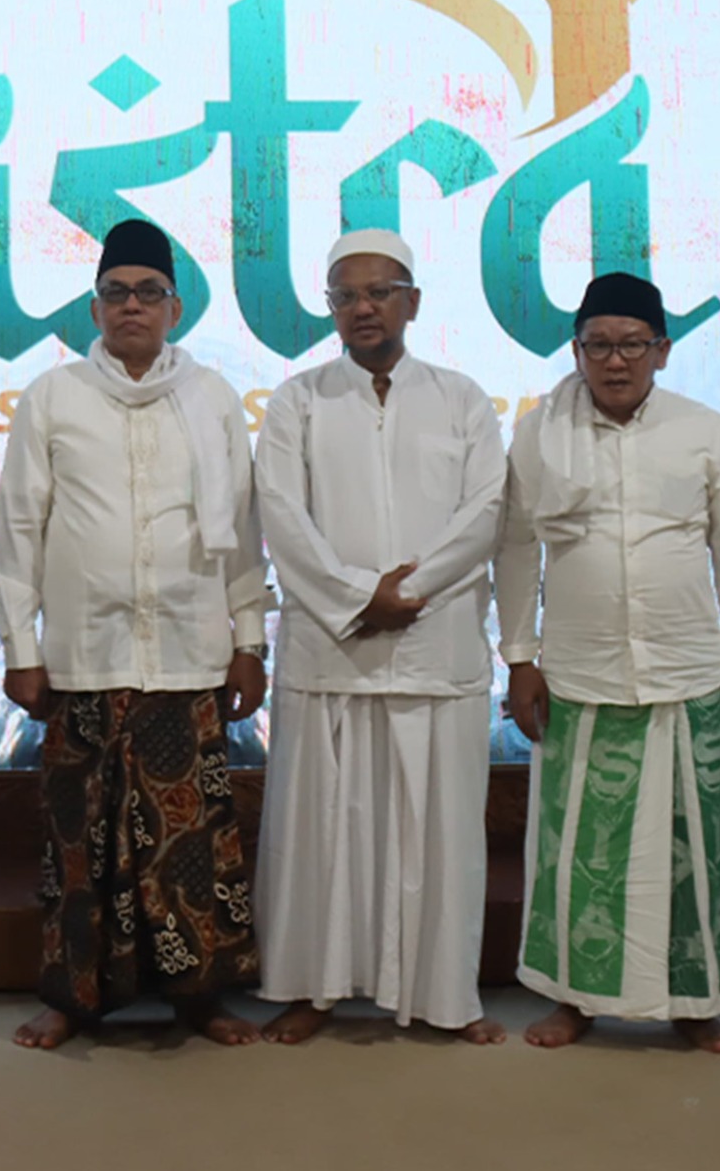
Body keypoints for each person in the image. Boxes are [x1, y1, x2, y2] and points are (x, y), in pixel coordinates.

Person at [0, 218, 268, 1051]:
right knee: (81, 845)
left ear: (175, 308)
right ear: (95, 308)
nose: (132, 306)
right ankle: (73, 998)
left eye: (149, 292)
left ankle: (200, 998)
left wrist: (248, 639)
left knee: (190, 848)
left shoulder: (212, 398)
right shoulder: (54, 397)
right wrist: (20, 651)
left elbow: (242, 531)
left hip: (188, 656)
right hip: (85, 658)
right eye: (116, 293)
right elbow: (18, 532)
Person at [252, 228, 506, 1046]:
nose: (362, 308)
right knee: (321, 838)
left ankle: (447, 997)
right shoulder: (297, 401)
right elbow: (281, 514)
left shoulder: (462, 398)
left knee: (440, 842)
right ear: (330, 308)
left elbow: (485, 512)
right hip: (334, 651)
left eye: (379, 293)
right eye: (345, 296)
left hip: (436, 650)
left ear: (412, 302)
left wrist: (411, 591)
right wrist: (363, 597)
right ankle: (309, 988)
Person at [497, 272, 720, 1052]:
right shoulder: (541, 434)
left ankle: (697, 1002)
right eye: (599, 345)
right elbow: (516, 549)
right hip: (581, 670)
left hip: (686, 667)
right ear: (576, 350)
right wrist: (519, 657)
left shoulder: (703, 429)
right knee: (581, 848)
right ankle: (573, 998)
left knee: (692, 847)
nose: (616, 361)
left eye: (633, 345)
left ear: (663, 350)